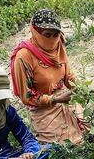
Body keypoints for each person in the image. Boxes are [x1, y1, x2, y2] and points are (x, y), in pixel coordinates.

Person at [10, 8, 87, 145]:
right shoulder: (24, 57)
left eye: (55, 34)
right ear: (35, 31)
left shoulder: (58, 44)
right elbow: (27, 96)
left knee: (87, 130)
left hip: (64, 97)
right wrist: (55, 99)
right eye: (47, 34)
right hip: (43, 108)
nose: (52, 39)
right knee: (64, 145)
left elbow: (68, 75)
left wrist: (79, 87)